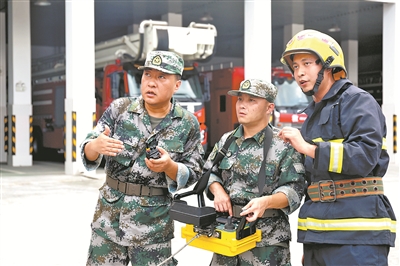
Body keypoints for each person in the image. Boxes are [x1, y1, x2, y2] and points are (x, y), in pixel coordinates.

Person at [278, 29, 396, 266]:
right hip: (320, 236)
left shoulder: (357, 101)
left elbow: (364, 157)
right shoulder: (314, 113)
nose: (299, 72)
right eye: (295, 67)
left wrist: (308, 148)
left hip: (357, 238)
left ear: (329, 65)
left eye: (307, 63)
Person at [81, 50, 204, 266]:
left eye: (161, 77)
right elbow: (88, 148)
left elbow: (194, 171)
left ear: (177, 85)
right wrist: (95, 146)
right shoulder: (120, 109)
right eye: (147, 75)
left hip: (153, 226)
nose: (151, 83)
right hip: (109, 220)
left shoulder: (187, 123)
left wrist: (170, 167)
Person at [204, 79, 306, 266]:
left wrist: (266, 201)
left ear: (269, 108)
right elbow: (209, 173)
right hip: (227, 235)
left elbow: (294, 190)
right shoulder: (227, 140)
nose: (242, 105)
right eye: (240, 99)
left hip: (266, 241)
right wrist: (218, 191)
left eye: (252, 100)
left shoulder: (283, 144)